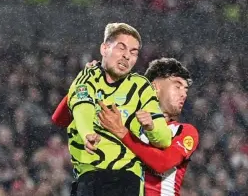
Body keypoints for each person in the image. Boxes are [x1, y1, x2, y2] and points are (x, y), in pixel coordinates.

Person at [52, 57, 199, 196]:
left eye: (186, 90)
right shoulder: (125, 117)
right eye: (177, 86)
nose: (183, 94)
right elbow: (61, 119)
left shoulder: (184, 131)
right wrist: (84, 82)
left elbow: (162, 163)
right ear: (154, 87)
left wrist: (122, 133)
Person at [64, 23, 172, 196]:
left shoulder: (141, 87)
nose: (126, 56)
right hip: (91, 174)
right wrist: (87, 134)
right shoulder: (88, 76)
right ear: (104, 48)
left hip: (128, 176)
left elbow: (165, 139)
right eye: (121, 48)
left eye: (133, 52)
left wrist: (152, 127)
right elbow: (82, 107)